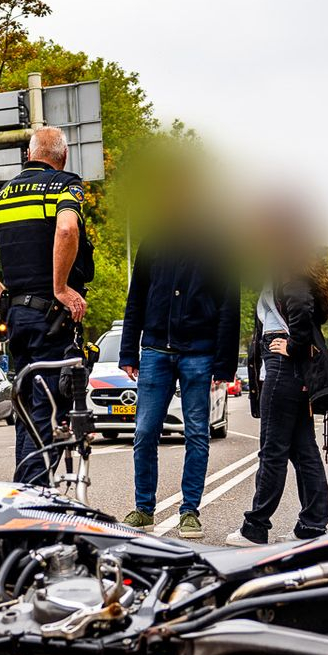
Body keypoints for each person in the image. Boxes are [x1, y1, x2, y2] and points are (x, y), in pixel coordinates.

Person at [0, 126, 92, 486]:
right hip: (52, 318)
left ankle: (25, 490)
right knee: (49, 409)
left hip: (17, 318)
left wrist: (2, 295)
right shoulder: (66, 185)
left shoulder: (4, 196)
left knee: (27, 408)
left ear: (29, 156)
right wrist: (61, 288)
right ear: (63, 157)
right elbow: (66, 229)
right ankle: (37, 500)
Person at [114, 228, 240, 539]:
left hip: (199, 352)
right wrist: (128, 350)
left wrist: (224, 364)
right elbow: (137, 297)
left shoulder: (220, 244)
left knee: (196, 432)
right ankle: (144, 509)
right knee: (144, 431)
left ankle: (189, 511)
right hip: (155, 350)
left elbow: (229, 306)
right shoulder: (153, 240)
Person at [226, 248, 328, 547]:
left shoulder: (289, 269)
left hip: (284, 368)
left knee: (272, 450)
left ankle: (255, 528)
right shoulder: (284, 269)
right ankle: (313, 525)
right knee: (304, 451)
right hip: (288, 370)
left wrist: (291, 347)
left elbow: (302, 309)